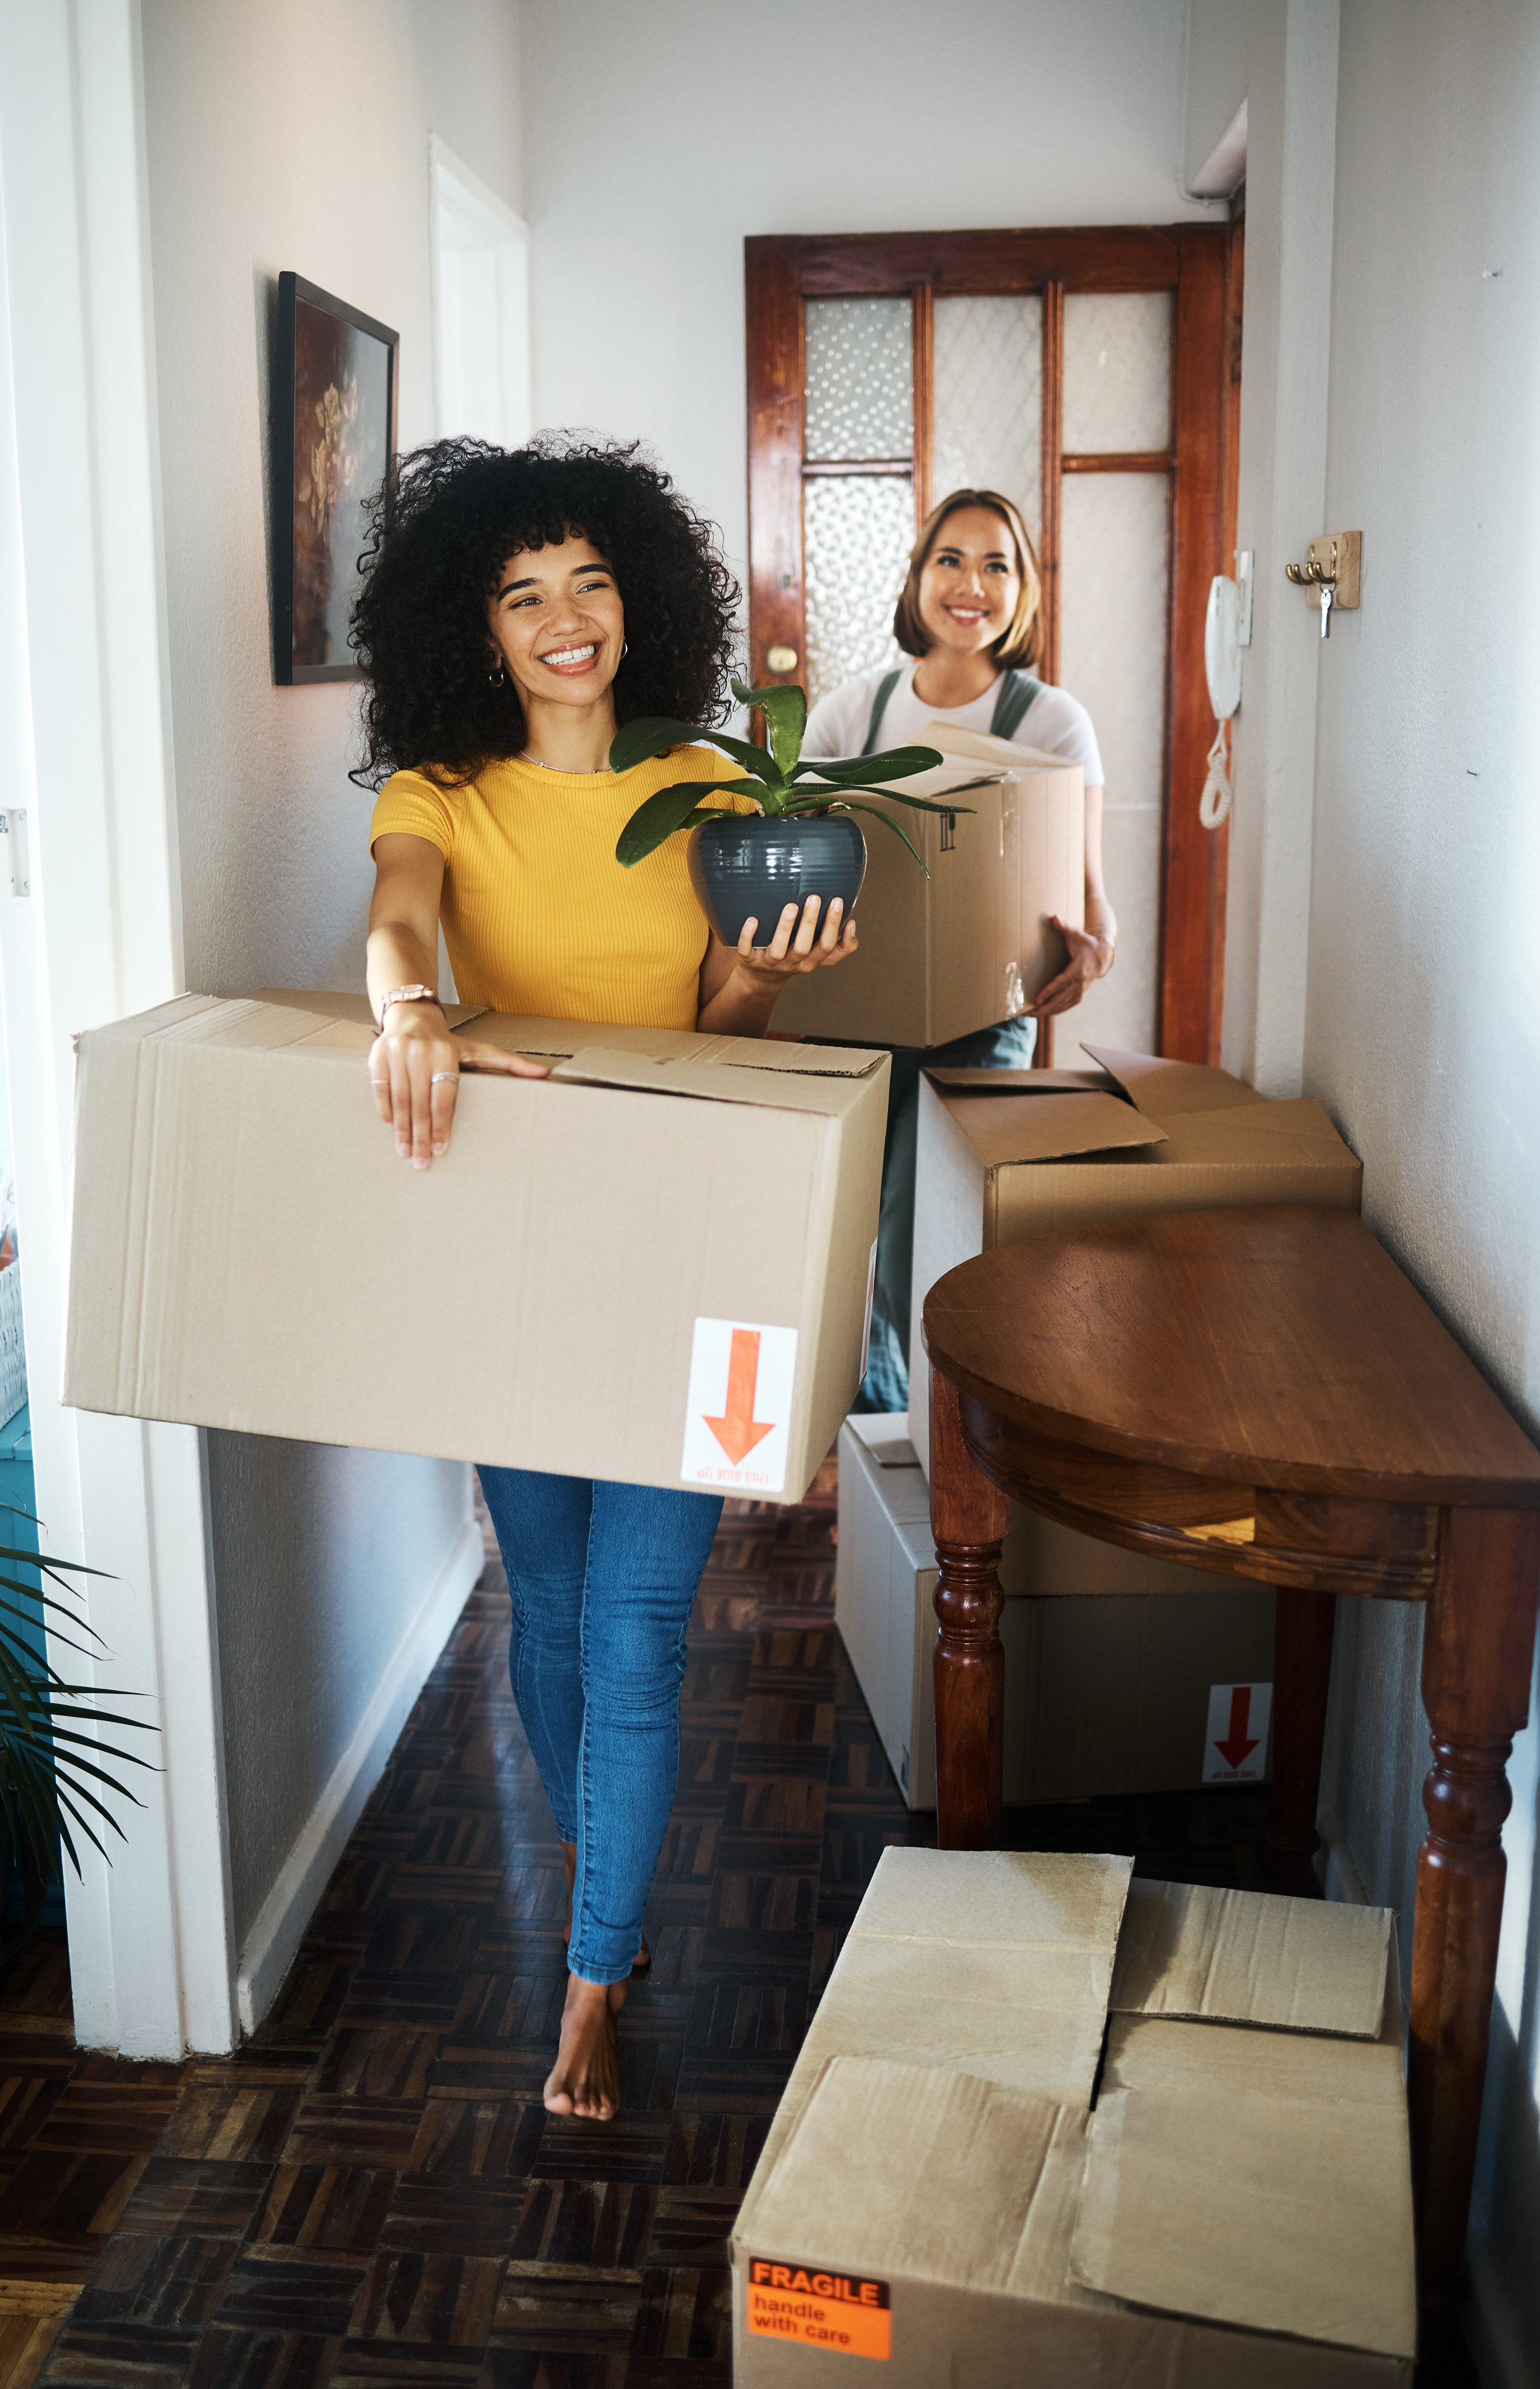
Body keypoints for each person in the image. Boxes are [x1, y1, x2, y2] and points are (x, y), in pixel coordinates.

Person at [350, 435, 857, 2120]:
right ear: (473, 627)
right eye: (520, 592)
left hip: (688, 1258)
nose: (565, 617)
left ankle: (590, 1984)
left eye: (589, 581)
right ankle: (603, 1872)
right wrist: (406, 1011)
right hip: (512, 1266)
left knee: (642, 1635)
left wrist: (769, 977)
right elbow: (397, 919)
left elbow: (720, 1039)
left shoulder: (711, 786)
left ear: (636, 599)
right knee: (549, 1617)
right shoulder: (439, 786)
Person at [801, 487, 1117, 1413]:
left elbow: (1096, 907)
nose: (971, 584)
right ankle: (875, 1438)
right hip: (852, 1015)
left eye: (997, 565)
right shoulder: (850, 716)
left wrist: (1088, 959)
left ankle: (931, 1443)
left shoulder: (1051, 723)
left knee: (925, 1243)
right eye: (951, 559)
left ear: (1022, 591)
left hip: (983, 1025)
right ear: (917, 576)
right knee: (846, 1226)